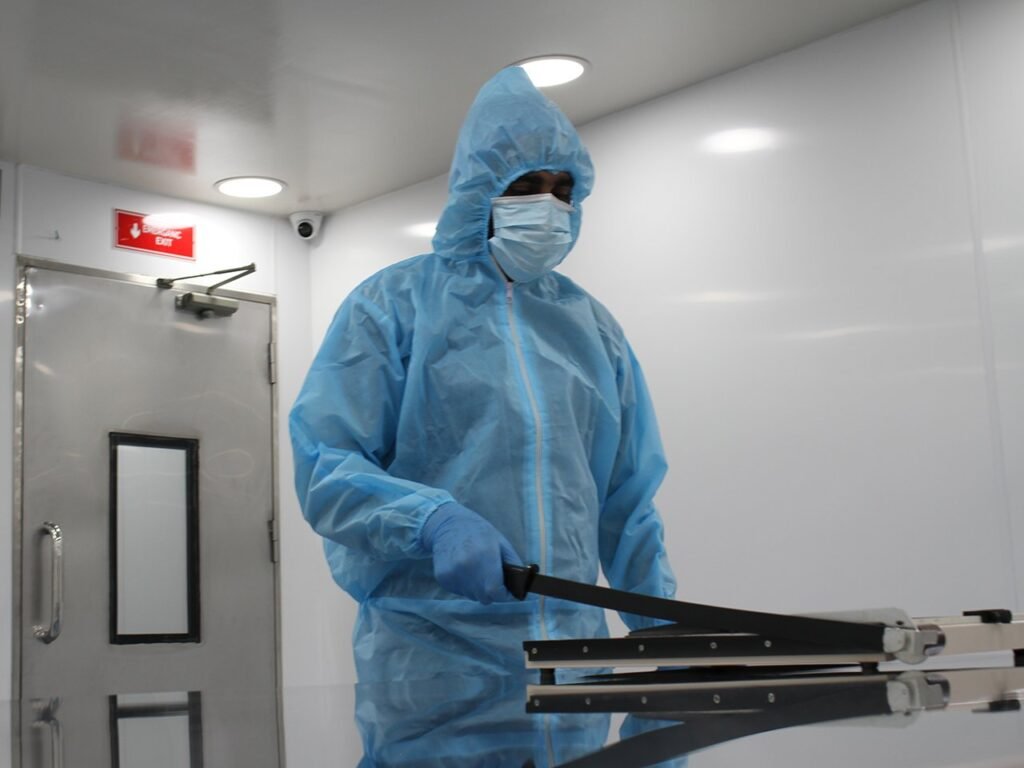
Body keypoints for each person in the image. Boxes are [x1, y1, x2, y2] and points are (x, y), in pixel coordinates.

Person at [290, 66, 676, 683]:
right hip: (436, 658)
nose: (549, 205)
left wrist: (661, 628)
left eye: (563, 190)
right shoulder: (391, 306)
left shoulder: (592, 328)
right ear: (480, 187)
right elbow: (327, 463)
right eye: (526, 185)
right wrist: (432, 520)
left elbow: (626, 500)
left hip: (572, 657)